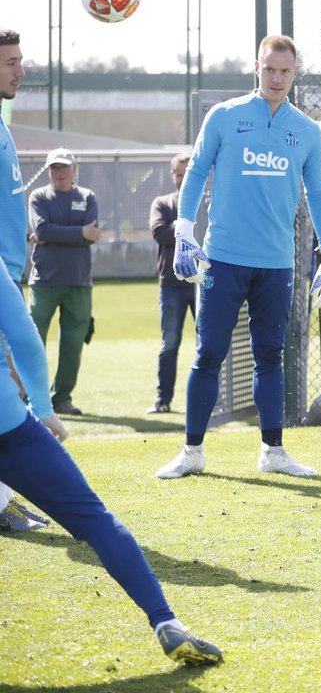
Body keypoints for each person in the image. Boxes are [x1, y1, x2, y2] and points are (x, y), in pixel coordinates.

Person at [0, 266, 222, 665]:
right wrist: (43, 408)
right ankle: (166, 623)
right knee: (96, 520)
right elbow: (23, 337)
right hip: (8, 424)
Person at [156, 34, 321, 480]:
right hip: (224, 259)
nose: (277, 78)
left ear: (295, 74)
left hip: (277, 264)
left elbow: (317, 193)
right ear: (256, 68)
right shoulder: (225, 116)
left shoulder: (307, 131)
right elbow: (197, 171)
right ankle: (192, 452)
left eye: (286, 71)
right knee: (209, 354)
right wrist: (184, 228)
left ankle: (273, 451)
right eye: (270, 69)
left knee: (270, 356)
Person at [0, 26, 51, 532]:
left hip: (11, 273)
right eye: (11, 61)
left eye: (20, 59)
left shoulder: (2, 124)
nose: (21, 69)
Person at [26, 148, 100, 417]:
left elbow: (92, 232)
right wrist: (80, 232)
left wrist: (54, 234)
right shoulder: (38, 197)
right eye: (54, 168)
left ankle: (62, 398)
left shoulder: (87, 196)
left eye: (64, 167)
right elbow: (42, 229)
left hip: (79, 282)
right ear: (48, 171)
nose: (59, 173)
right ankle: (30, 398)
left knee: (73, 344)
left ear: (74, 169)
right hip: (44, 281)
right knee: (32, 342)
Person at [147, 152, 196, 414]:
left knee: (209, 343)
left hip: (203, 285)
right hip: (172, 285)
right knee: (170, 344)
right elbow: (159, 233)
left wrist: (177, 228)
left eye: (187, 173)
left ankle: (216, 401)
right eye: (179, 174)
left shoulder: (207, 202)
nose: (183, 178)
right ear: (172, 175)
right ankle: (163, 400)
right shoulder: (162, 203)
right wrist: (184, 228)